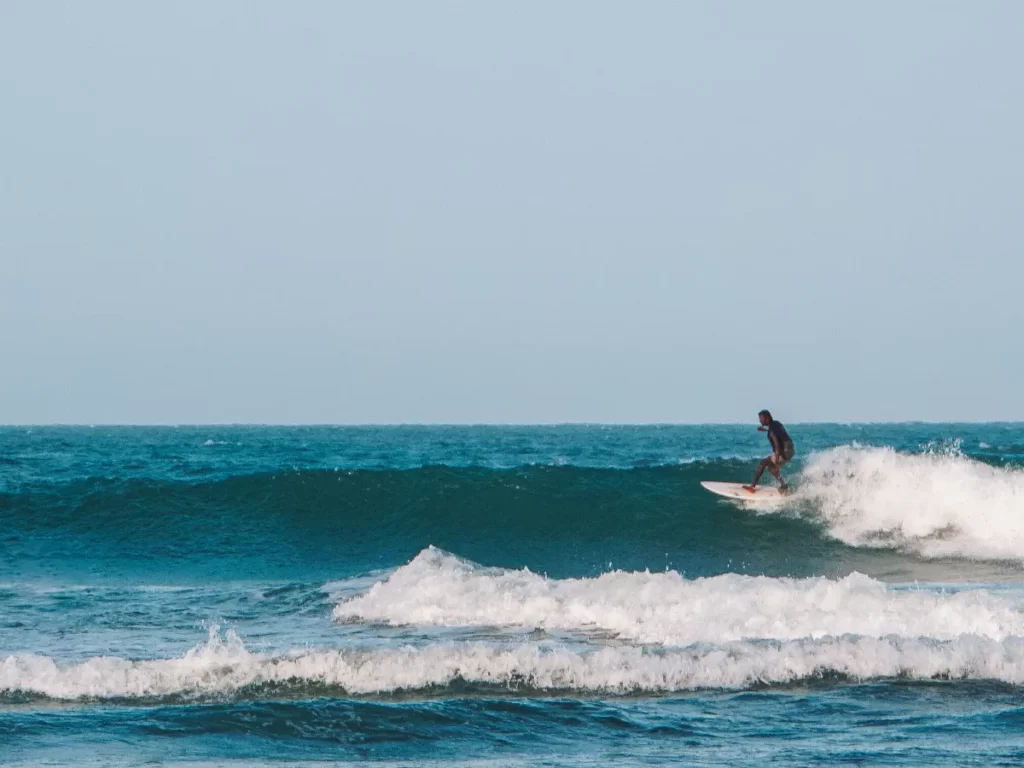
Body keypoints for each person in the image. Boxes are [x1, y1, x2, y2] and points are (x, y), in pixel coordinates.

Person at [743, 410, 794, 493]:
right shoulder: (777, 423)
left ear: (767, 418)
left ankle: (752, 487)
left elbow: (777, 447)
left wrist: (777, 466)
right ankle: (784, 486)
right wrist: (765, 430)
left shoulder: (771, 432)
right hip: (790, 451)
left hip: (784, 452)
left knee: (764, 462)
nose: (760, 420)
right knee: (770, 468)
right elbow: (778, 432)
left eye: (761, 418)